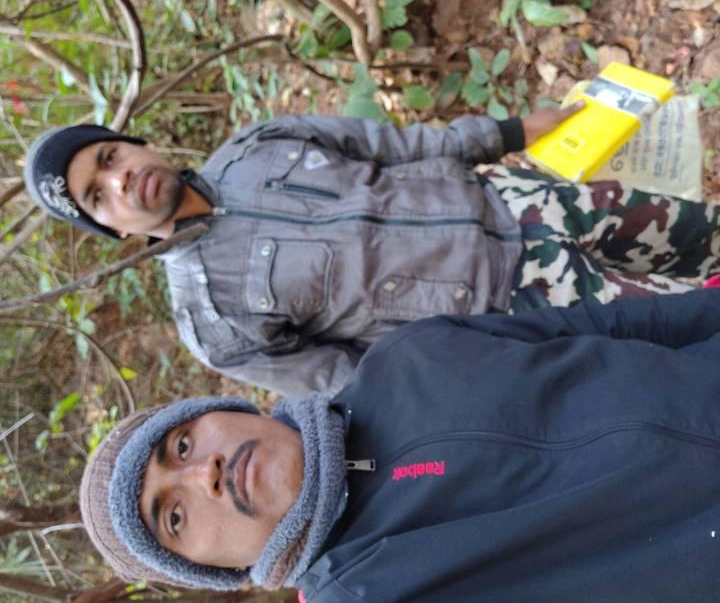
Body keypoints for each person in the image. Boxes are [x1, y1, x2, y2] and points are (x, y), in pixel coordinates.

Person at [81, 289, 720, 603]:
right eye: (174, 517)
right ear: (217, 570)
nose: (204, 474)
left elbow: (609, 326)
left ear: (218, 411)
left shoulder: (403, 357)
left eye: (181, 446)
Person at [25, 110, 720, 395]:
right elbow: (362, 383)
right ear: (113, 231)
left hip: (523, 200)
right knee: (695, 324)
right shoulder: (215, 321)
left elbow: (397, 145)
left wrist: (511, 131)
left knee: (700, 230)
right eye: (97, 196)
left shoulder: (254, 146)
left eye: (110, 157)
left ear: (135, 143)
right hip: (526, 307)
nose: (120, 181)